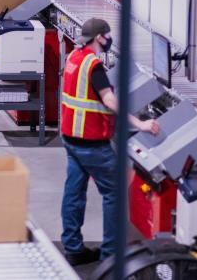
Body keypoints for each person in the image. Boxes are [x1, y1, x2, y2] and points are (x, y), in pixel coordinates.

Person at [59, 18, 160, 266]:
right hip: (91, 142)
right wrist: (141, 124)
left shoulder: (74, 57)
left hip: (71, 137)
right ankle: (110, 256)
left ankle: (72, 248)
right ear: (99, 37)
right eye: (107, 35)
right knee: (114, 193)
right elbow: (110, 101)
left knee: (74, 192)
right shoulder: (94, 67)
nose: (109, 39)